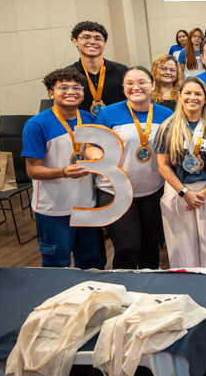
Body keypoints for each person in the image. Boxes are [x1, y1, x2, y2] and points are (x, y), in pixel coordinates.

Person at [86, 66, 174, 269]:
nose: (136, 87)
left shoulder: (166, 114)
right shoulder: (108, 113)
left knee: (150, 246)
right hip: (115, 190)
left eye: (142, 82)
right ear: (123, 87)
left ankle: (149, 285)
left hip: (152, 189)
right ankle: (123, 286)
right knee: (127, 247)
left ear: (152, 85)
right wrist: (102, 160)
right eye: (130, 83)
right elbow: (90, 146)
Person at [22, 67, 105, 269]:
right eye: (63, 87)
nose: (71, 92)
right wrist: (63, 172)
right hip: (54, 209)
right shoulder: (37, 125)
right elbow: (32, 170)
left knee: (92, 263)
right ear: (51, 93)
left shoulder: (88, 118)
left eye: (77, 87)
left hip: (86, 203)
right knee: (57, 266)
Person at [156, 77, 206, 278]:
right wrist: (184, 192)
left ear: (205, 98)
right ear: (179, 96)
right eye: (188, 93)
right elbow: (163, 165)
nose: (193, 98)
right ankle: (187, 288)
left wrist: (205, 192)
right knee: (181, 247)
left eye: (198, 94)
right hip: (177, 190)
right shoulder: (167, 126)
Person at [68, 21, 128, 115]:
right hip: (81, 123)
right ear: (75, 41)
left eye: (98, 38)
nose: (92, 42)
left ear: (104, 43)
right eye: (86, 37)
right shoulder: (68, 75)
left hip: (116, 122)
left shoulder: (122, 71)